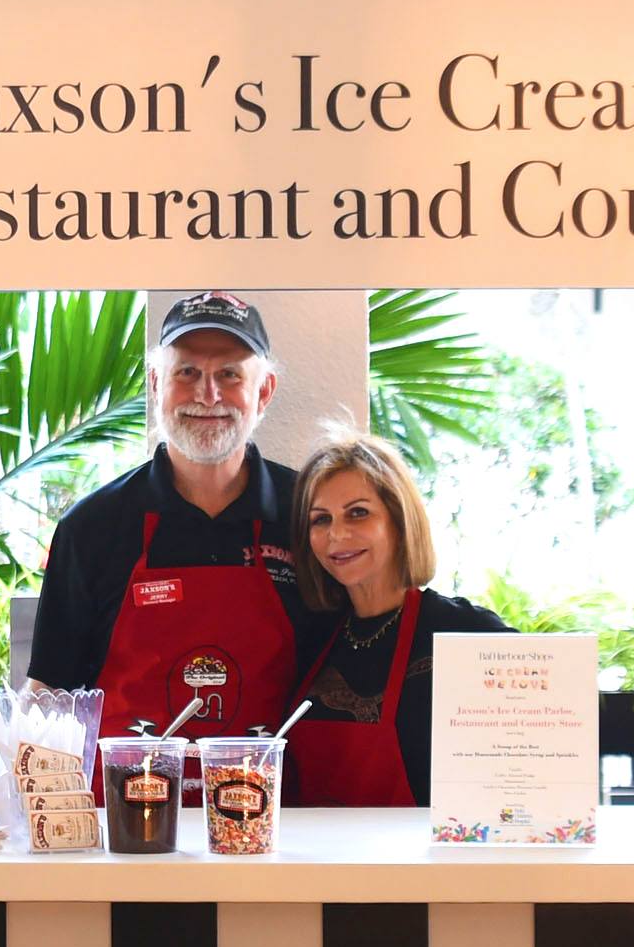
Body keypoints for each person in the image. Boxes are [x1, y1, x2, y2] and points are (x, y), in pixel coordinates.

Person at [27, 291, 332, 735]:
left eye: (229, 374)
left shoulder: (311, 515)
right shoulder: (91, 528)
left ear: (263, 392)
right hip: (127, 799)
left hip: (274, 801)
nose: (207, 396)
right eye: (187, 372)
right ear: (155, 384)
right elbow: (49, 694)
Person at [284, 431, 511, 807]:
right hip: (319, 863)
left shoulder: (466, 634)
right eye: (320, 519)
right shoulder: (313, 637)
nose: (337, 534)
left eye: (358, 513)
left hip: (427, 865)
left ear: (399, 521)